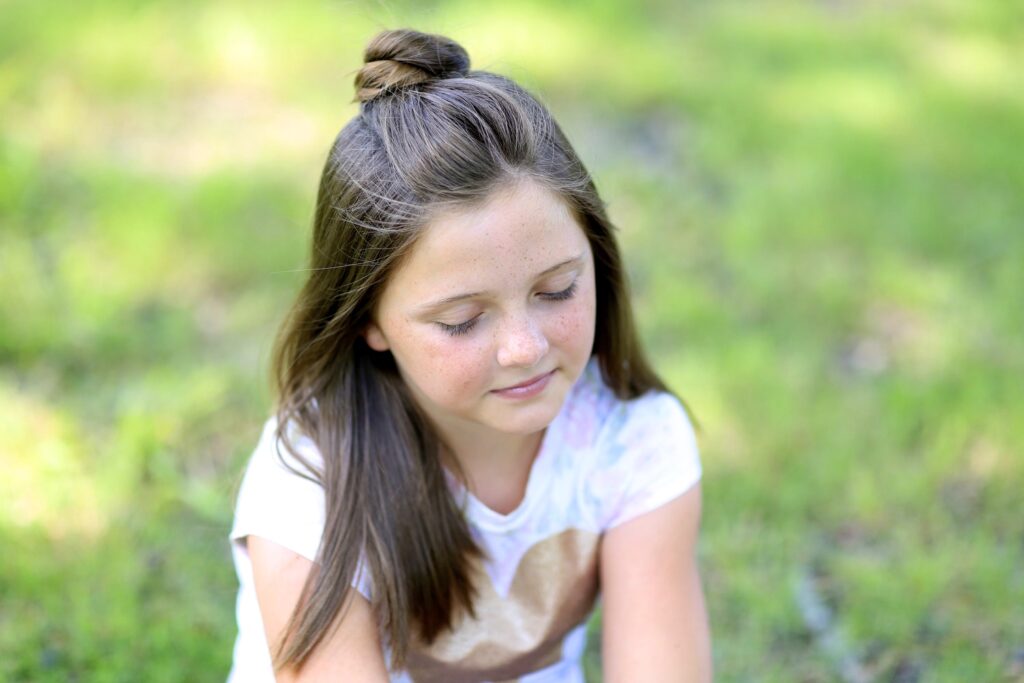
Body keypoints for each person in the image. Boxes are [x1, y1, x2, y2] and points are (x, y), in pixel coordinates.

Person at [227, 28, 711, 683]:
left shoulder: (632, 441)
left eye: (557, 288)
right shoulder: (311, 482)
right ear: (370, 320)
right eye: (461, 320)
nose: (525, 348)